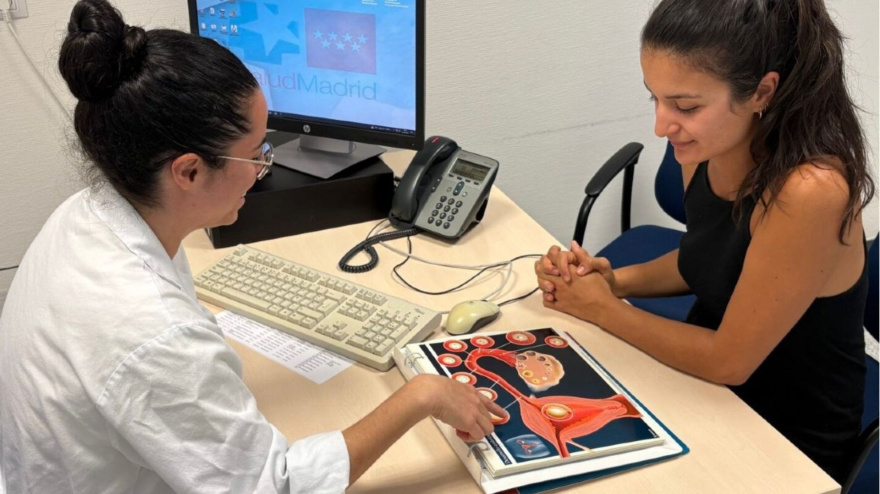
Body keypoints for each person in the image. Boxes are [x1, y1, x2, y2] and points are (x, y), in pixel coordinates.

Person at [0, 1, 506, 492]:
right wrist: (418, 397)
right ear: (190, 171)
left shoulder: (84, 216)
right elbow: (271, 486)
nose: (264, 168)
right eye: (257, 154)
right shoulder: (152, 333)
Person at [535, 0, 874, 483]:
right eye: (655, 98)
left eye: (686, 106)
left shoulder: (809, 191)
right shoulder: (706, 148)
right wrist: (612, 283)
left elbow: (729, 361)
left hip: (785, 430)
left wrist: (602, 309)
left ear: (762, 93)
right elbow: (709, 258)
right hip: (703, 381)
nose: (661, 126)